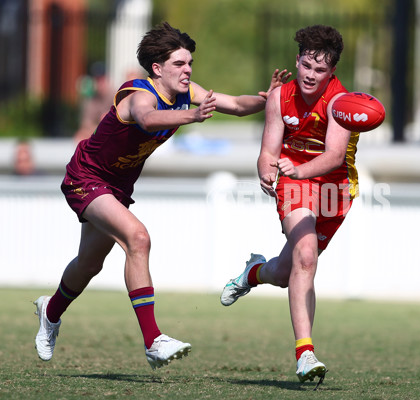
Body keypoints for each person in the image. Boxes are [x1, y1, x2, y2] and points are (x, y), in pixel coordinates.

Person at [33, 22, 290, 369]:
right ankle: (154, 340)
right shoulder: (140, 93)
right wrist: (191, 116)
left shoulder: (187, 93)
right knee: (138, 238)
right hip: (86, 177)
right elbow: (147, 117)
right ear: (157, 68)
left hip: (117, 187)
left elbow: (236, 104)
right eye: (179, 65)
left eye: (189, 64)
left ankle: (49, 312)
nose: (187, 70)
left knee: (89, 264)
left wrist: (268, 98)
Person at [220, 25, 358, 386]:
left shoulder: (340, 102)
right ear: (297, 61)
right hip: (295, 184)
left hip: (335, 189)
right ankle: (305, 353)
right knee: (307, 255)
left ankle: (253, 273)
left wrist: (298, 169)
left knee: (286, 272)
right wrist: (268, 171)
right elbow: (268, 151)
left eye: (320, 70)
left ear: (332, 72)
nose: (311, 75)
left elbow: (332, 156)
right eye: (307, 66)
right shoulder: (280, 96)